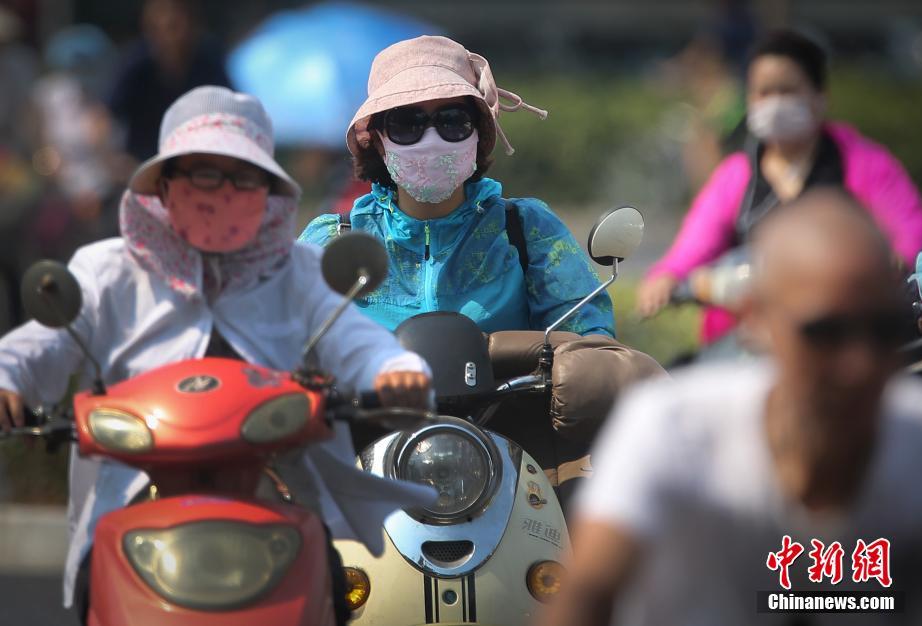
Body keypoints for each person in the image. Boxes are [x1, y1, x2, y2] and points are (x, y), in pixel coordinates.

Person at [0, 86, 432, 624]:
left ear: (267, 190)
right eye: (202, 173)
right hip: (135, 495)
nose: (221, 192)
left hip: (274, 490)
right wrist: (8, 380)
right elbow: (38, 344)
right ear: (164, 185)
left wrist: (397, 373)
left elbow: (359, 343)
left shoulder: (298, 272)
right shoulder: (106, 270)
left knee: (328, 585)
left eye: (242, 176)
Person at [541, 189, 922, 626]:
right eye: (826, 333)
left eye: (883, 330)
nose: (859, 364)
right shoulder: (673, 432)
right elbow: (585, 602)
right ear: (755, 321)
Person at [298, 35, 615, 338]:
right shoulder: (332, 241)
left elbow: (589, 341)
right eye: (407, 124)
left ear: (478, 132)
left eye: (452, 120)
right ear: (377, 141)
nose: (431, 140)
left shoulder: (526, 230)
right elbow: (280, 340)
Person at [636, 29, 922, 346]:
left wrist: (888, 263)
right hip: (746, 341)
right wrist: (666, 276)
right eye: (764, 92)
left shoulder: (864, 164)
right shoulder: (736, 176)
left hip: (840, 335)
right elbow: (696, 243)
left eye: (787, 90)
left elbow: (911, 231)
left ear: (820, 97)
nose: (775, 103)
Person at [108, 0, 231, 162]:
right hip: (142, 163)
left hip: (197, 161)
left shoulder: (209, 62)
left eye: (177, 14)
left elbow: (230, 112)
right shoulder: (135, 63)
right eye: (162, 14)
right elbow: (105, 116)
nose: (169, 19)